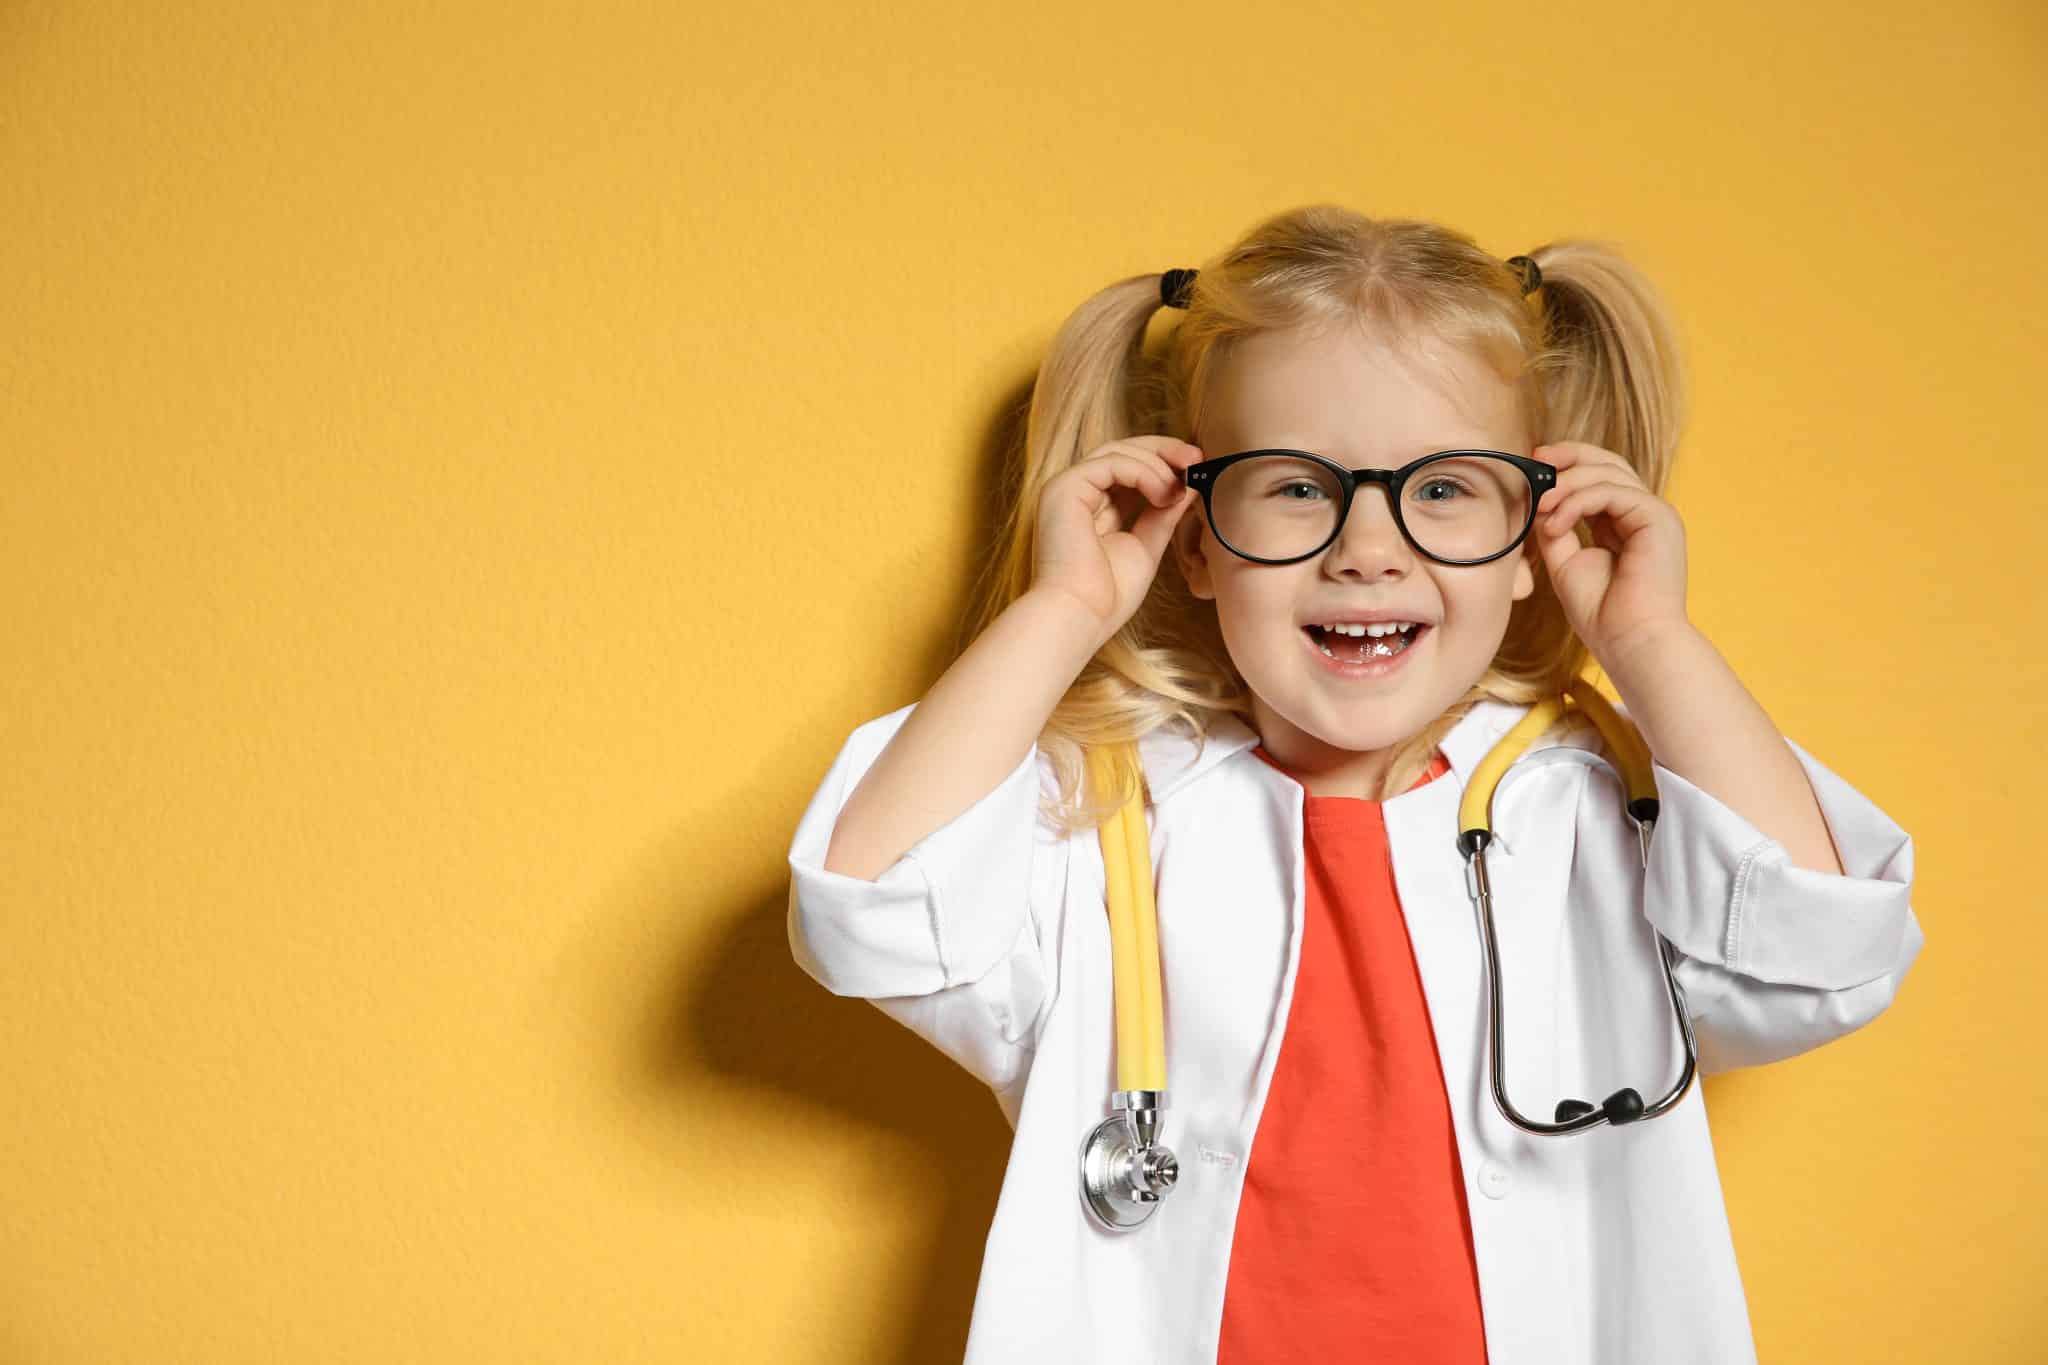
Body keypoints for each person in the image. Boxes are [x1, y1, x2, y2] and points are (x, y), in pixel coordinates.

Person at [783, 204, 1923, 1363]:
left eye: (1441, 490)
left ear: (1531, 536)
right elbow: (870, 915)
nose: (1366, 546)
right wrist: (1063, 606)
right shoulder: (1104, 824)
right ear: (1194, 542)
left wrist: (1649, 639)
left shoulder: (1601, 809)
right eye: (1292, 486)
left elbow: (1816, 954)